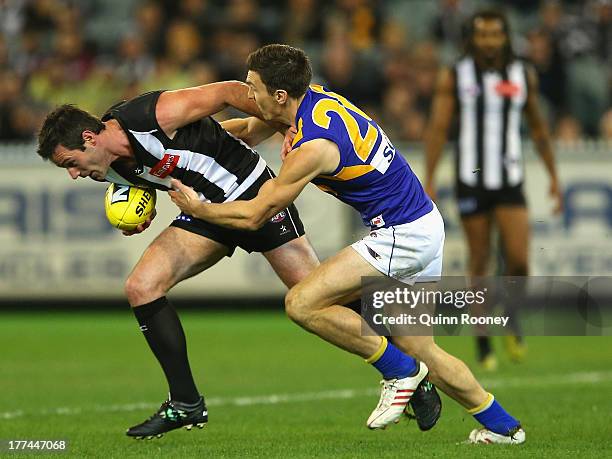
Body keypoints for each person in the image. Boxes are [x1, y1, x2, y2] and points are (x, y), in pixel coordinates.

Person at [36, 81, 438, 439]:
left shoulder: (152, 115)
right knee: (141, 286)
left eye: (70, 163)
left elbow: (230, 91)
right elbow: (167, 170)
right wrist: (143, 210)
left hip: (253, 197)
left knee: (320, 299)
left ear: (90, 137)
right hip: (204, 213)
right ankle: (186, 403)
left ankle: (413, 367)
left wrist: (291, 128)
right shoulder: (102, 166)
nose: (73, 174)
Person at [169, 44, 525, 444]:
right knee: (426, 352)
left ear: (280, 95)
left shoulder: (314, 148)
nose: (247, 97)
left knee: (302, 303)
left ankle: (399, 372)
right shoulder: (313, 99)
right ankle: (505, 428)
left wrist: (198, 209)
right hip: (424, 224)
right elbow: (250, 131)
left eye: (253, 89)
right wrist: (191, 142)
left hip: (402, 234)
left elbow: (255, 214)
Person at [423, 9, 563, 369]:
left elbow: (537, 127)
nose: (488, 41)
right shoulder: (455, 74)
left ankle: (511, 317)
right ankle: (484, 340)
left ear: (505, 37)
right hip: (471, 176)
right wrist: (430, 176)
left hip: (509, 177)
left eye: (495, 34)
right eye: (481, 34)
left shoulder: (522, 74)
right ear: (472, 38)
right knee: (480, 259)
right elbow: (438, 128)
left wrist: (553, 177)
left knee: (518, 260)